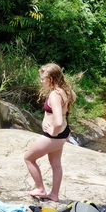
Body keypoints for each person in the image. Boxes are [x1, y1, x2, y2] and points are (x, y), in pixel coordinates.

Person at [24, 63, 76, 202]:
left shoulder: (54, 95)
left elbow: (58, 121)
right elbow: (64, 114)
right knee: (56, 164)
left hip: (55, 135)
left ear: (51, 79)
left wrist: (53, 132)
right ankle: (54, 194)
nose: (41, 81)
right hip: (63, 133)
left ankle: (40, 189)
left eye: (43, 79)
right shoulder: (65, 90)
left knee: (28, 158)